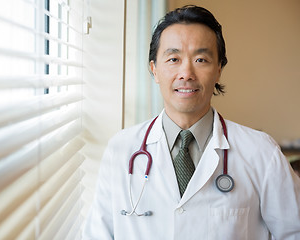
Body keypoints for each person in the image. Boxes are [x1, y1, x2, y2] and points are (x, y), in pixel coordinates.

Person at [82, 5, 300, 240]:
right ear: (154, 70)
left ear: (218, 70)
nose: (186, 73)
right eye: (173, 58)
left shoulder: (261, 152)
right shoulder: (121, 150)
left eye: (200, 59)